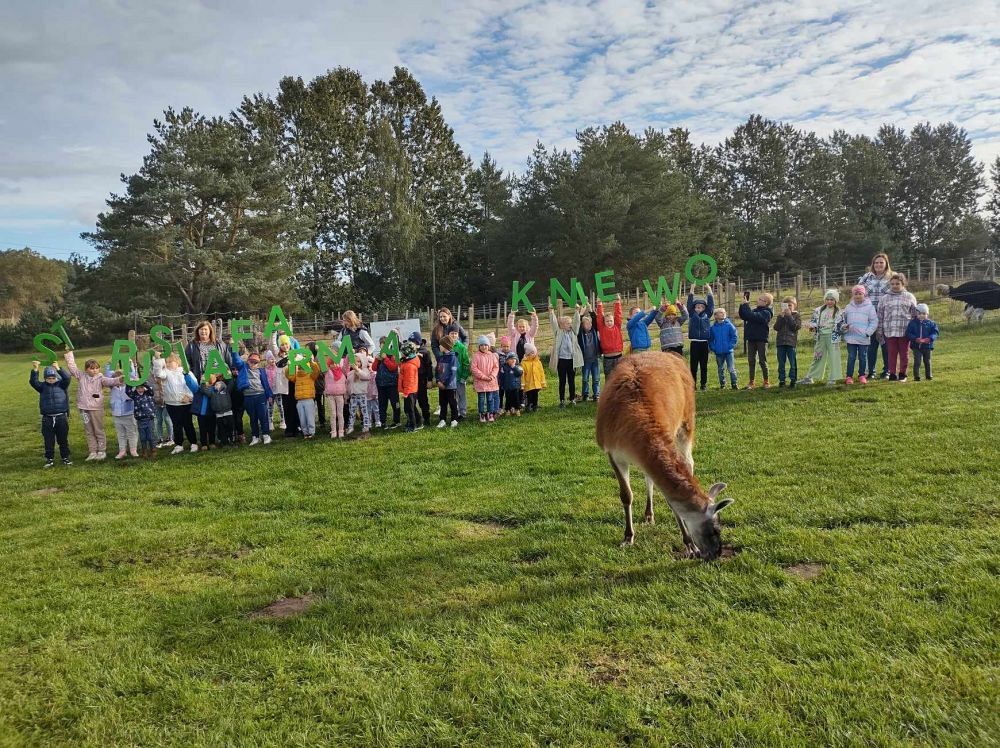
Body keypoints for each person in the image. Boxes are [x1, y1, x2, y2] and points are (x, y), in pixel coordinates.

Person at [64, 350, 118, 461]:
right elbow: (72, 367)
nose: (94, 370)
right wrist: (69, 353)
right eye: (91, 368)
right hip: (83, 409)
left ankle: (101, 451)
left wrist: (120, 379)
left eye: (96, 368)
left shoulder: (101, 378)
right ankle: (92, 451)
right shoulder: (81, 376)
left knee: (98, 430)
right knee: (89, 430)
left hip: (96, 408)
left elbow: (111, 381)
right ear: (86, 369)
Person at [877, 272, 919, 382]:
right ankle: (892, 373)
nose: (895, 286)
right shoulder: (884, 298)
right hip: (889, 331)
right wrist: (880, 330)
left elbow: (915, 314)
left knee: (904, 353)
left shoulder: (910, 297)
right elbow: (880, 315)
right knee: (891, 353)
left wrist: (915, 330)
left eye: (897, 283)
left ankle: (902, 374)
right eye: (892, 284)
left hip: (904, 331)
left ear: (903, 284)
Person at [30, 360, 72, 467]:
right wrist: (35, 369)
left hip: (61, 417)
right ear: (45, 379)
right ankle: (49, 459)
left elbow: (67, 377)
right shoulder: (42, 387)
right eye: (48, 378)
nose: (51, 380)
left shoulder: (62, 385)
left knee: (63, 439)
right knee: (48, 440)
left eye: (53, 378)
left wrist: (58, 368)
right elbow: (33, 382)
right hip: (47, 418)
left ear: (57, 377)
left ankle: (65, 457)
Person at [858, 252, 893, 379]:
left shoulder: (892, 277)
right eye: (876, 262)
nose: (878, 265)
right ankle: (871, 371)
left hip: (886, 316)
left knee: (886, 345)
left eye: (881, 262)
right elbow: (858, 292)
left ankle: (887, 371)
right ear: (873, 264)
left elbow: (899, 291)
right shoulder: (866, 277)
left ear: (886, 264)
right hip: (869, 316)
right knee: (871, 345)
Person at [800, 290, 845, 385]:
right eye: (827, 299)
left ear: (836, 300)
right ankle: (810, 377)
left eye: (832, 299)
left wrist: (843, 328)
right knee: (818, 356)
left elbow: (841, 325)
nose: (829, 301)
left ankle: (833, 378)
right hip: (821, 337)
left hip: (833, 338)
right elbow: (813, 322)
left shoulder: (839, 312)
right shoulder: (818, 310)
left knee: (834, 357)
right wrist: (811, 327)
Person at [157, 353, 199, 454]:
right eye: (166, 362)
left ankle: (193, 443)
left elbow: (194, 384)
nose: (168, 364)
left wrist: (189, 396)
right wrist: (158, 360)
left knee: (188, 423)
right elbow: (158, 374)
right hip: (171, 403)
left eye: (170, 362)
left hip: (185, 403)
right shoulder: (166, 372)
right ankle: (179, 445)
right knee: (176, 424)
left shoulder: (185, 371)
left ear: (177, 362)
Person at [232, 350, 273, 445]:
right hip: (248, 396)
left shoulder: (261, 371)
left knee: (263, 416)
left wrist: (269, 395)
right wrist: (234, 349)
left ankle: (266, 435)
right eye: (251, 361)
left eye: (255, 362)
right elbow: (236, 360)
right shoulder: (243, 368)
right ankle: (255, 437)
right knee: (253, 417)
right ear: (248, 361)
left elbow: (265, 384)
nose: (253, 364)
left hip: (260, 396)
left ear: (258, 363)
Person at [842, 285, 879, 385]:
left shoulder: (869, 307)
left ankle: (862, 375)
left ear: (864, 295)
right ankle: (849, 376)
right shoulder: (848, 307)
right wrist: (844, 327)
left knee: (863, 357)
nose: (858, 296)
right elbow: (843, 320)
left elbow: (874, 321)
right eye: (856, 294)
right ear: (853, 295)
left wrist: (868, 332)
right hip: (851, 337)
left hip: (863, 337)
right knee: (851, 357)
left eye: (860, 294)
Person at [549, 305, 584, 407]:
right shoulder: (558, 332)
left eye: (570, 323)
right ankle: (562, 400)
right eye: (568, 323)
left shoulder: (574, 332)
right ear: (562, 325)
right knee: (562, 381)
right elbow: (554, 323)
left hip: (571, 360)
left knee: (571, 380)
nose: (570, 325)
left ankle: (572, 398)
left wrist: (577, 311)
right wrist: (551, 312)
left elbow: (577, 323)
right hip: (562, 361)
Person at [738, 291, 774, 389]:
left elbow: (752, 316)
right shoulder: (754, 310)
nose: (757, 300)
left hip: (761, 339)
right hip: (751, 339)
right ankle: (751, 382)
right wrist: (742, 305)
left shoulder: (767, 313)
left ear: (766, 302)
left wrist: (746, 305)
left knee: (762, 360)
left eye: (760, 299)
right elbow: (744, 315)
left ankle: (766, 381)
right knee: (751, 360)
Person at [184, 320, 232, 385]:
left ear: (210, 331)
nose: (203, 331)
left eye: (206, 329)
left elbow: (228, 359)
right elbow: (187, 362)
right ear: (198, 331)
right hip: (202, 379)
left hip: (220, 378)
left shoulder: (219, 344)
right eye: (201, 329)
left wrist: (231, 370)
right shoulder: (191, 345)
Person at [270, 333, 300, 437]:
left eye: (286, 343)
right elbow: (272, 344)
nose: (285, 346)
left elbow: (305, 360)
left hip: (294, 384)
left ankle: (297, 427)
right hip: (285, 386)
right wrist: (274, 332)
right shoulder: (278, 356)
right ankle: (289, 429)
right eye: (282, 344)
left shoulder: (295, 355)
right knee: (287, 407)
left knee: (296, 406)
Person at [686, 285, 714, 391]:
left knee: (703, 366)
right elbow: (689, 303)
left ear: (704, 308)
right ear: (694, 308)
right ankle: (693, 385)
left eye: (701, 307)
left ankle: (703, 385)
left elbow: (711, 305)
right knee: (693, 366)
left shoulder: (707, 314)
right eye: (697, 307)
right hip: (694, 343)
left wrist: (709, 290)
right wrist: (692, 289)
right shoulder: (692, 314)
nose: (699, 308)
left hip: (704, 344)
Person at [286, 354, 321, 438]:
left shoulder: (311, 375)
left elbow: (316, 371)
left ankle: (311, 432)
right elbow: (289, 376)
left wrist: (312, 362)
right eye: (299, 364)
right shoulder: (296, 376)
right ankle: (305, 433)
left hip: (309, 400)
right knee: (302, 419)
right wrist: (290, 365)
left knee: (310, 418)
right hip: (299, 401)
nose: (301, 366)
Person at [107, 365, 138, 459]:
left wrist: (131, 365)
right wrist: (109, 365)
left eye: (121, 379)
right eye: (117, 380)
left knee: (132, 433)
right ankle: (122, 451)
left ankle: (133, 449)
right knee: (120, 434)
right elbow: (107, 375)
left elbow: (134, 377)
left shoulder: (129, 387)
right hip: (117, 415)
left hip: (129, 414)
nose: (119, 382)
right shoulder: (112, 388)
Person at [471, 334, 501, 423]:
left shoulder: (492, 355)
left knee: (490, 398)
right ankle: (482, 413)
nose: (484, 347)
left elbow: (496, 367)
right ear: (479, 346)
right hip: (481, 382)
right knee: (481, 399)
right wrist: (483, 377)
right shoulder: (476, 356)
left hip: (491, 381)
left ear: (489, 346)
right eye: (482, 345)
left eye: (486, 345)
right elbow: (474, 368)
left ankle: (490, 413)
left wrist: (492, 376)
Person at [773, 297, 802, 388]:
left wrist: (789, 316)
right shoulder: (780, 316)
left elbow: (795, 327)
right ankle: (782, 380)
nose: (788, 307)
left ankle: (793, 380)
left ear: (794, 306)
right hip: (780, 342)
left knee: (792, 363)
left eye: (790, 305)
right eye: (785, 305)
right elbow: (776, 328)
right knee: (781, 363)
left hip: (791, 343)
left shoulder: (797, 316)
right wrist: (781, 318)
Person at [202, 374, 236, 447]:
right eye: (215, 384)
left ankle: (231, 440)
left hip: (228, 413)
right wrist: (203, 382)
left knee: (230, 427)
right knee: (221, 428)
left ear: (223, 385)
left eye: (218, 384)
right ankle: (224, 442)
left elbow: (231, 383)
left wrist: (228, 374)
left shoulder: (227, 391)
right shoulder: (212, 393)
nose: (216, 385)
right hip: (219, 414)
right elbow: (204, 390)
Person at [907, 303, 939, 381]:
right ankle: (916, 376)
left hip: (927, 346)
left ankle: (929, 375)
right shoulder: (912, 323)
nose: (922, 315)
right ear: (916, 314)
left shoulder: (931, 323)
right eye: (919, 314)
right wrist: (915, 338)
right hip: (916, 346)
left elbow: (935, 332)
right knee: (917, 361)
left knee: (927, 361)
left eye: (924, 314)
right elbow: (908, 333)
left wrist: (930, 338)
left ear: (927, 314)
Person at [373, 338, 401, 430]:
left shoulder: (393, 355)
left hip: (392, 384)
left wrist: (385, 358)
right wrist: (377, 360)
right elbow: (374, 368)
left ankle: (397, 421)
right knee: (382, 404)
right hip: (381, 385)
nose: (382, 346)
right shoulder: (379, 355)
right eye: (381, 344)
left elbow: (393, 367)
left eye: (384, 344)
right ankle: (383, 421)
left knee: (395, 403)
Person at [346, 344, 373, 438]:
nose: (356, 363)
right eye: (355, 361)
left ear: (362, 362)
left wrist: (358, 370)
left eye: (358, 361)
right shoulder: (350, 373)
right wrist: (347, 395)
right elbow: (348, 384)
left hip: (362, 395)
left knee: (364, 411)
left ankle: (366, 426)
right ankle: (350, 427)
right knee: (352, 412)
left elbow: (366, 377)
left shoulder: (365, 371)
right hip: (353, 396)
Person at [708, 309, 739, 390]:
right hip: (718, 352)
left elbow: (734, 337)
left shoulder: (729, 325)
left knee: (731, 368)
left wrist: (730, 346)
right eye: (721, 313)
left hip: (729, 352)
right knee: (720, 369)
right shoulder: (713, 328)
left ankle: (734, 384)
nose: (723, 314)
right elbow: (710, 339)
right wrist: (713, 348)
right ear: (715, 316)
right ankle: (722, 384)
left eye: (724, 312)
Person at [595, 294, 625, 377]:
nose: (609, 322)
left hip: (618, 356)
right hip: (608, 358)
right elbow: (600, 316)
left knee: (620, 377)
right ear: (604, 322)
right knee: (609, 377)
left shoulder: (617, 326)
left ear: (614, 321)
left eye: (611, 321)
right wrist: (599, 304)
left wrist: (617, 302)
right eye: (607, 321)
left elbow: (618, 315)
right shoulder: (602, 328)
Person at [126, 381, 157, 458]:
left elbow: (151, 389)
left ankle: (153, 450)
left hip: (149, 418)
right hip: (140, 420)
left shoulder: (149, 393)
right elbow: (128, 391)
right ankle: (144, 450)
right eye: (138, 388)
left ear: (144, 387)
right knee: (143, 437)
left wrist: (144, 383)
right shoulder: (135, 395)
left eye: (142, 387)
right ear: (136, 388)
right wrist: (130, 383)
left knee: (150, 436)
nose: (140, 389)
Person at [577, 305, 602, 401]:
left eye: (590, 324)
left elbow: (595, 320)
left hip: (595, 359)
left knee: (596, 378)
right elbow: (577, 324)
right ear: (582, 325)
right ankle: (585, 394)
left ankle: (596, 394)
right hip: (585, 360)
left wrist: (591, 311)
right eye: (586, 324)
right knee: (585, 379)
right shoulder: (581, 333)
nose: (589, 325)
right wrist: (581, 314)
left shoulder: (594, 331)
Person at [398, 340, 423, 432]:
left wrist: (406, 392)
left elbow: (409, 381)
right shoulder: (407, 361)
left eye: (402, 352)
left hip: (409, 390)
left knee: (409, 409)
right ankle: (419, 421)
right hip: (410, 390)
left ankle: (413, 426)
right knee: (411, 407)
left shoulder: (409, 366)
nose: (401, 354)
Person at [409, 332, 434, 426]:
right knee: (411, 400)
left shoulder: (425, 352)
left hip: (422, 379)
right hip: (412, 380)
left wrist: (430, 380)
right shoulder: (409, 351)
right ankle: (415, 418)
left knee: (423, 399)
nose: (411, 344)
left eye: (413, 342)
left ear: (418, 342)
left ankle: (426, 418)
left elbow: (429, 367)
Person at [150, 352, 174, 448]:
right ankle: (159, 438)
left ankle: (171, 437)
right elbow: (151, 387)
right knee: (158, 419)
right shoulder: (150, 375)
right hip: (156, 400)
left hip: (167, 400)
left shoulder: (166, 372)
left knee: (167, 419)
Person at [435, 335, 460, 428]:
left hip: (450, 386)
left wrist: (445, 384)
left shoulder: (453, 358)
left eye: (440, 345)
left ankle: (454, 419)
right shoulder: (440, 358)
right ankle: (442, 419)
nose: (439, 347)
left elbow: (452, 373)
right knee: (442, 403)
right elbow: (437, 370)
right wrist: (438, 381)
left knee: (452, 403)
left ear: (445, 346)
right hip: (441, 386)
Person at [322, 354, 349, 439]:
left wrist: (348, 356)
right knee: (333, 414)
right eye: (332, 363)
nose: (335, 365)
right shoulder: (327, 372)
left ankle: (341, 431)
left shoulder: (342, 371)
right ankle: (333, 431)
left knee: (340, 414)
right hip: (330, 396)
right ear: (329, 365)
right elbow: (322, 363)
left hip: (340, 395)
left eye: (336, 363)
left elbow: (346, 364)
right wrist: (319, 352)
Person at [449, 329, 471, 421]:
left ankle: (463, 412)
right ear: (448, 334)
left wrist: (464, 376)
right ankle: (455, 412)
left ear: (458, 335)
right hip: (450, 378)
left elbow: (466, 362)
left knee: (461, 395)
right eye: (452, 333)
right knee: (453, 396)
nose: (453, 335)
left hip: (460, 376)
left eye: (455, 333)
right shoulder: (446, 347)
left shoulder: (462, 347)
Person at [520, 342, 546, 412]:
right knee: (529, 395)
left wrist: (542, 382)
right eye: (532, 353)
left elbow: (541, 372)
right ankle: (528, 405)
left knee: (535, 395)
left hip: (536, 383)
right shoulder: (524, 363)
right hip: (529, 383)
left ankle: (535, 405)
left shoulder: (538, 362)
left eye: (534, 352)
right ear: (528, 354)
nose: (534, 354)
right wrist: (523, 384)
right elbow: (523, 374)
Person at [263, 350, 285, 431]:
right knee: (270, 408)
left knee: (281, 406)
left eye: (274, 359)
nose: (273, 360)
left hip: (278, 391)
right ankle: (270, 422)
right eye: (271, 359)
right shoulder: (265, 370)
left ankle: (283, 421)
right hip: (270, 392)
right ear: (267, 360)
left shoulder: (278, 368)